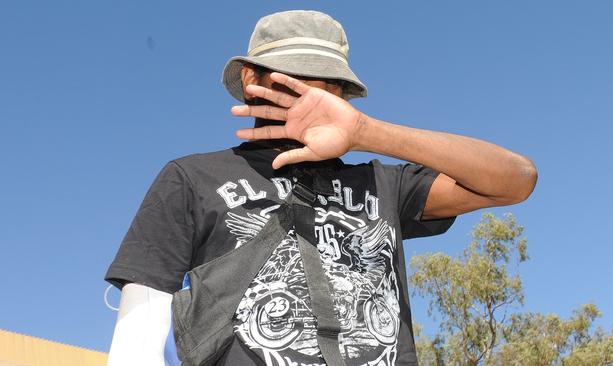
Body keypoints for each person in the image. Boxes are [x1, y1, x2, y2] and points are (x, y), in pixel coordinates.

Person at [104, 10, 537, 366]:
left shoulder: (385, 184)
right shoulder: (190, 179)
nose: (308, 94)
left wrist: (368, 132)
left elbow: (516, 180)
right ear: (252, 79)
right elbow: (139, 330)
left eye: (326, 81)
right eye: (289, 77)